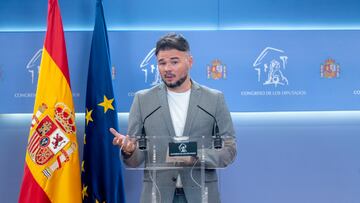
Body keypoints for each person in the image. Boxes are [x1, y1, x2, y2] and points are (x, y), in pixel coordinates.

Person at [110, 33, 236, 203]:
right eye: (162, 63)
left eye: (174, 62)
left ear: (190, 61)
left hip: (201, 195)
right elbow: (135, 161)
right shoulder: (142, 100)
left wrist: (197, 156)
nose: (167, 68)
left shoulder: (214, 99)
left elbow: (229, 150)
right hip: (156, 196)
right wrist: (129, 150)